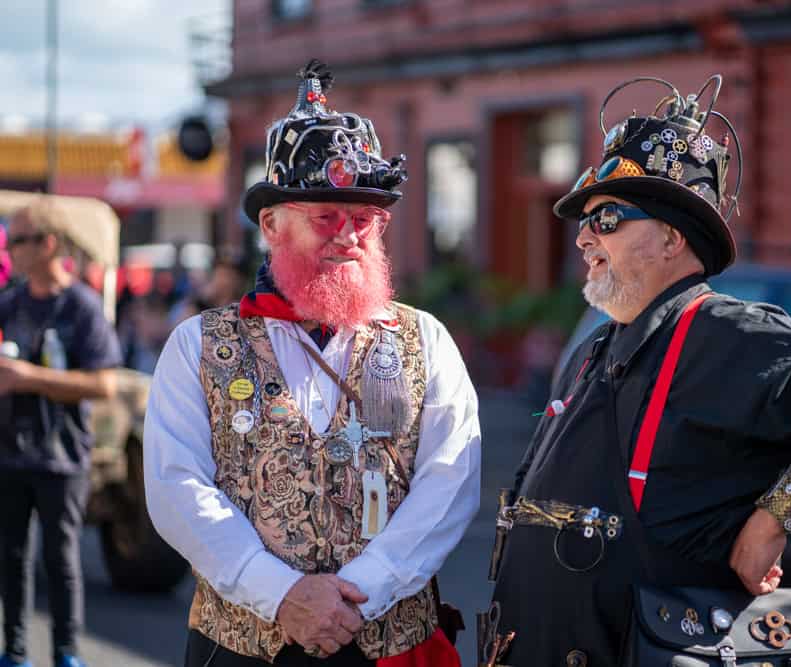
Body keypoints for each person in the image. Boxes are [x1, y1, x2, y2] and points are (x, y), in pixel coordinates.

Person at [488, 75, 791, 666]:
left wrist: (775, 518)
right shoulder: (597, 345)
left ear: (671, 237)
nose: (585, 237)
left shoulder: (727, 332)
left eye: (608, 217)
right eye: (584, 221)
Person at [143, 60, 481, 667]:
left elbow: (450, 479)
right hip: (245, 645)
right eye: (326, 217)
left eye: (364, 220)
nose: (349, 235)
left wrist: (363, 590)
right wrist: (281, 594)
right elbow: (177, 488)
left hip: (387, 642)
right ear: (271, 224)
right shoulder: (198, 345)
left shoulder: (423, 338)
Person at [0, 199, 122, 667]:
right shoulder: (9, 302)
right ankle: (13, 651)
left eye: (20, 241)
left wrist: (29, 377)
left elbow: (105, 384)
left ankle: (67, 652)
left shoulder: (82, 307)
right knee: (11, 557)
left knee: (61, 558)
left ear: (49, 244)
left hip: (62, 456)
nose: (12, 250)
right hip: (10, 451)